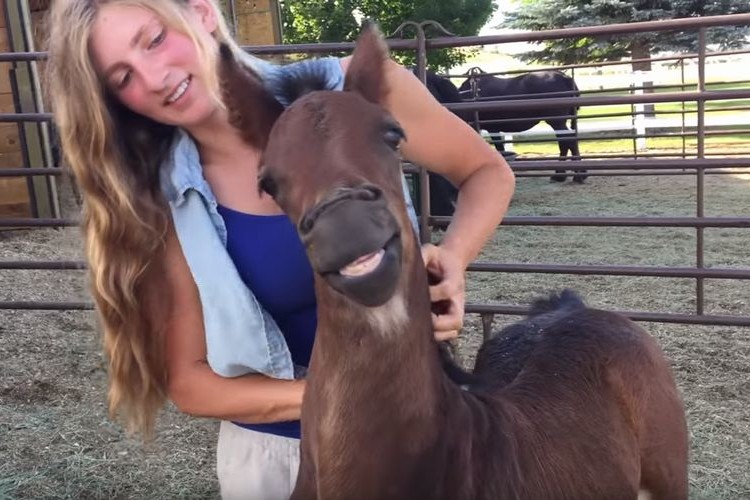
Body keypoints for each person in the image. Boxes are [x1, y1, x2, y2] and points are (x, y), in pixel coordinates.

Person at [45, 0, 515, 498]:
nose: (155, 78)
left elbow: (487, 172)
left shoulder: (357, 90)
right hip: (276, 459)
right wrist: (350, 399)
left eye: (155, 40)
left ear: (203, 12)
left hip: (429, 435)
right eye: (123, 78)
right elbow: (191, 382)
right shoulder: (163, 200)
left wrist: (455, 257)